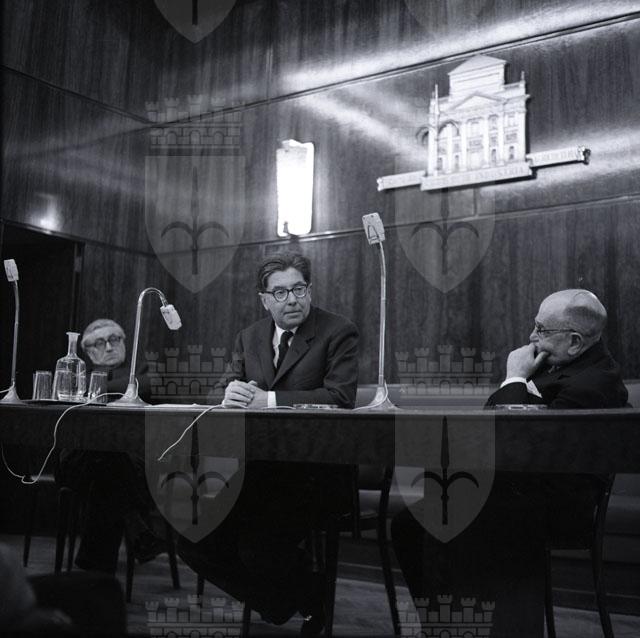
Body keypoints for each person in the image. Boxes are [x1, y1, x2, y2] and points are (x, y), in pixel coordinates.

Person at [392, 289, 628, 637]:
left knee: (454, 516)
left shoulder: (594, 382)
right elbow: (492, 421)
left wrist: (516, 377)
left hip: (556, 505)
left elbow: (515, 444)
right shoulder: (557, 362)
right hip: (519, 491)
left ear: (575, 341)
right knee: (410, 522)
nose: (532, 337)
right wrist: (515, 382)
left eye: (541, 330)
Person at [178, 252, 359, 637]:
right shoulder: (250, 337)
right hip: (256, 472)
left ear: (309, 291)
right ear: (264, 299)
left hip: (315, 475)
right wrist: (226, 395)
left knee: (258, 546)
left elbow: (340, 397)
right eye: (280, 292)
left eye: (299, 289)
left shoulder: (337, 331)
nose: (291, 300)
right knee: (192, 539)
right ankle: (295, 598)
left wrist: (270, 400)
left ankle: (296, 597)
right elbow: (220, 392)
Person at [56, 319, 162, 574]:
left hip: (132, 466)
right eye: (100, 343)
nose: (110, 347)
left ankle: (95, 570)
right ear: (88, 352)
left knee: (108, 466)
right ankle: (137, 527)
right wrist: (108, 389)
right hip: (77, 463)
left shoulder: (144, 370)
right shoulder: (76, 373)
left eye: (114, 339)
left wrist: (96, 390)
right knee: (108, 459)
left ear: (124, 342)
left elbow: (151, 385)